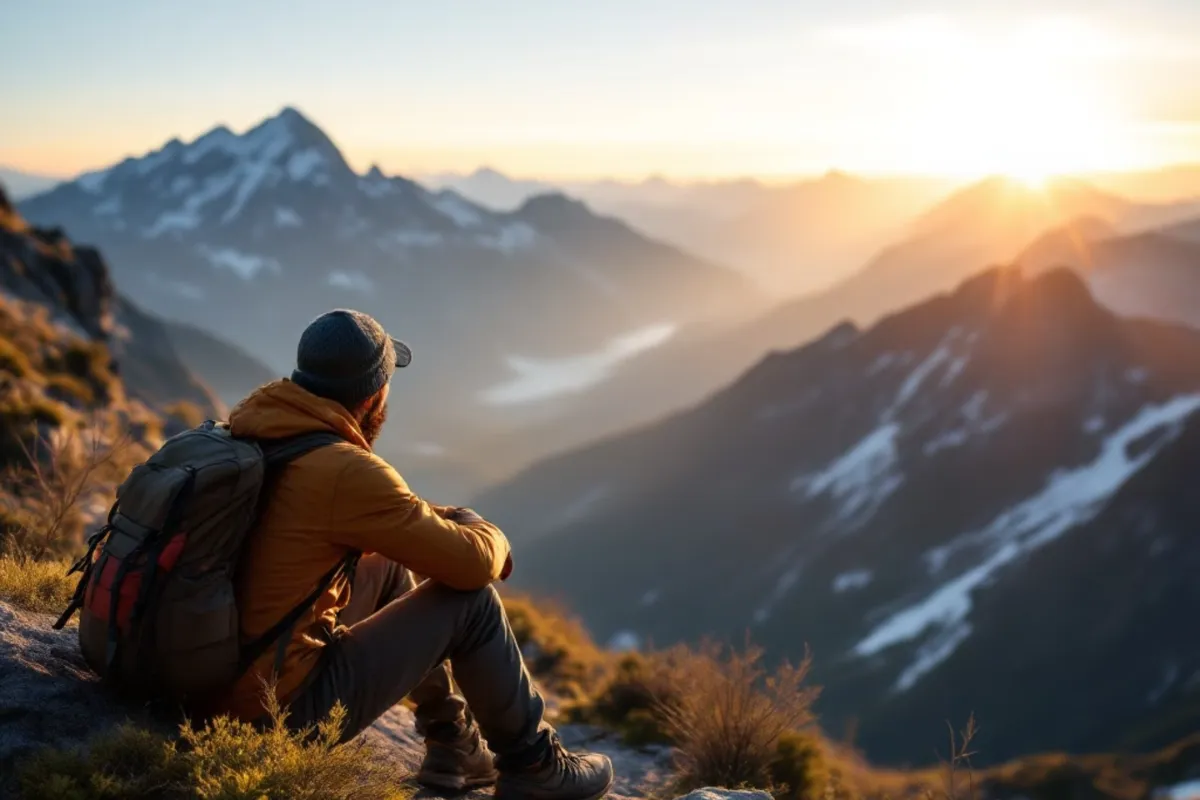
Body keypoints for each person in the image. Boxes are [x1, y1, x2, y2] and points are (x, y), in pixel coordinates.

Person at [214, 308, 614, 800]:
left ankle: (453, 745)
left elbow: (370, 516)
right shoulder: (345, 470)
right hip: (273, 713)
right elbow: (470, 566)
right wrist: (489, 533)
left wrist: (434, 518)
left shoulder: (254, 427)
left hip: (204, 673)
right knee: (472, 604)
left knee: (388, 566)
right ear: (373, 395)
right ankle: (535, 766)